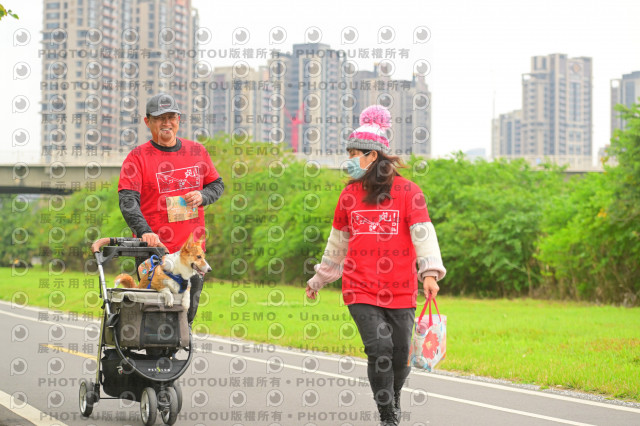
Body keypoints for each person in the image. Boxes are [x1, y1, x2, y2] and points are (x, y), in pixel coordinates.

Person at [305, 105, 446, 425]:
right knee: (380, 347)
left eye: (355, 154)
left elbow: (423, 233)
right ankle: (387, 416)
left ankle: (392, 399)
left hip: (401, 288)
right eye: (349, 153)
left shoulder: (409, 192)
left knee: (400, 353)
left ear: (373, 156)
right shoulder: (349, 195)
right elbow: (337, 245)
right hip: (360, 287)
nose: (349, 160)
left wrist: (430, 274)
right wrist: (319, 279)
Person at [118, 93, 224, 323]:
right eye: (159, 118)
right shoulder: (137, 157)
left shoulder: (196, 151)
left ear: (178, 120)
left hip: (191, 253)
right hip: (154, 252)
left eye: (171, 117)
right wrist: (145, 231)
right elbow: (127, 200)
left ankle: (180, 343)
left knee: (186, 316)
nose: (166, 123)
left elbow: (217, 184)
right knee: (154, 316)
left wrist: (203, 195)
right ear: (147, 122)